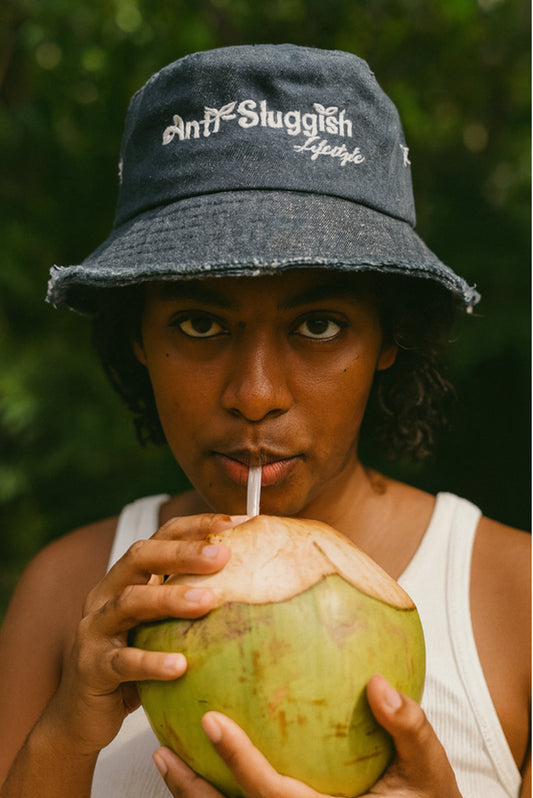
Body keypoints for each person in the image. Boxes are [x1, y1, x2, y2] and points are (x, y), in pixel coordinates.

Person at [0, 44, 529, 798]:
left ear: (389, 337)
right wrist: (63, 734)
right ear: (136, 340)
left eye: (317, 325)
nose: (254, 395)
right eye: (197, 324)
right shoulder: (68, 596)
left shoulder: (516, 597)